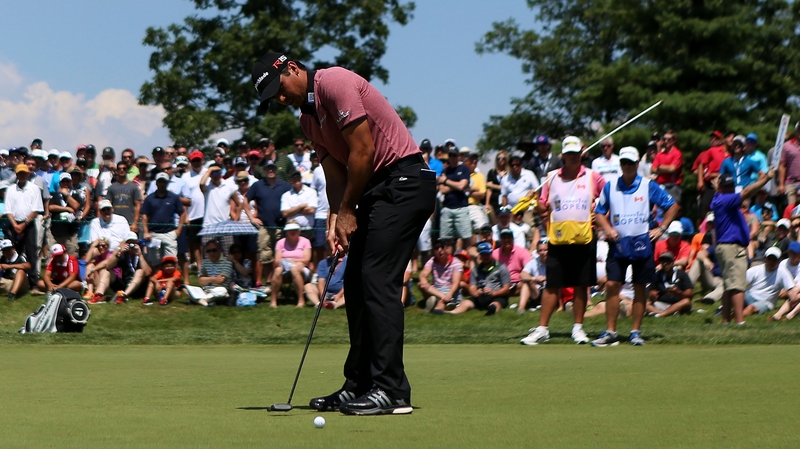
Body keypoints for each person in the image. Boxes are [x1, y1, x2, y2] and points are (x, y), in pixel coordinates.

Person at [253, 51, 435, 415]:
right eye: (274, 97)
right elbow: (335, 176)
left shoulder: (334, 82)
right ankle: (360, 384)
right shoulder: (308, 121)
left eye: (280, 88)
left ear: (292, 68)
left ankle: (391, 389)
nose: (281, 98)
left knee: (377, 279)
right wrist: (336, 220)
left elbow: (364, 151)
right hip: (376, 191)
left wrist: (349, 210)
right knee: (354, 283)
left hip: (404, 182)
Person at [520, 136, 606, 346]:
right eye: (569, 154)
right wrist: (534, 201)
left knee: (580, 284)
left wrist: (600, 215)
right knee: (552, 285)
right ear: (563, 156)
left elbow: (608, 197)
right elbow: (543, 206)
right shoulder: (551, 178)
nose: (572, 157)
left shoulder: (593, 176)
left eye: (576, 153)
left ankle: (578, 328)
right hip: (558, 238)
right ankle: (542, 329)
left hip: (584, 237)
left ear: (581, 153)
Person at [591, 146, 679, 346]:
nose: (627, 166)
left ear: (637, 164)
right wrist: (607, 228)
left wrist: (662, 228)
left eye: (631, 163)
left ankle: (635, 332)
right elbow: (599, 212)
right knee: (612, 285)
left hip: (642, 242)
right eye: (624, 163)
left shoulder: (648, 185)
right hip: (618, 243)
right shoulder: (610, 186)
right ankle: (610, 331)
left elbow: (672, 206)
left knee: (640, 286)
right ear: (620, 164)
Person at [711, 169, 774, 325]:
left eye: (731, 186)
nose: (730, 189)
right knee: (738, 286)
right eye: (727, 186)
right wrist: (766, 179)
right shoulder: (726, 199)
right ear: (721, 187)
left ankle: (726, 321)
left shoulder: (718, 197)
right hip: (732, 247)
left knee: (729, 286)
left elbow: (744, 191)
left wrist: (760, 180)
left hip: (725, 247)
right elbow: (746, 192)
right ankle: (740, 322)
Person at [247, 160, 292, 285]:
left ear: (276, 170)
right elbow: (245, 200)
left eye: (272, 168)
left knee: (280, 256)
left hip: (281, 226)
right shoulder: (257, 185)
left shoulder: (285, 185)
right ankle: (269, 282)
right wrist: (251, 218)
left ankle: (278, 283)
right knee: (265, 256)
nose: (270, 171)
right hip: (264, 226)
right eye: (268, 168)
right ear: (264, 171)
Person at [5, 163, 44, 291]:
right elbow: (8, 210)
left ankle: (33, 284)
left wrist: (24, 224)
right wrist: (15, 225)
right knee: (14, 252)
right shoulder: (10, 189)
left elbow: (36, 209)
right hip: (14, 224)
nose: (22, 175)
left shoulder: (34, 188)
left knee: (31, 253)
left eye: (24, 173)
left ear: (28, 174)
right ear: (16, 175)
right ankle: (13, 277)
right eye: (19, 173)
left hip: (29, 224)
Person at [448, 242, 510, 315]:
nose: (485, 257)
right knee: (466, 302)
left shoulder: (501, 267)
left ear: (491, 253)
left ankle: (491, 310)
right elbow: (472, 287)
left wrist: (493, 293)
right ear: (479, 255)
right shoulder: (476, 270)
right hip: (481, 296)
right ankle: (450, 313)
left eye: (487, 254)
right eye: (483, 255)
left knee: (496, 303)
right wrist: (476, 293)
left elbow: (506, 288)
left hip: (497, 296)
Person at [141, 172, 185, 262]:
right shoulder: (149, 198)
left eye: (164, 182)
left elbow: (182, 213)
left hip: (169, 233)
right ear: (156, 183)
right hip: (154, 234)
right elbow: (144, 215)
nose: (162, 184)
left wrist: (179, 230)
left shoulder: (174, 197)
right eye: (160, 182)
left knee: (171, 261)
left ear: (167, 183)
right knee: (155, 262)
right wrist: (146, 232)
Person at [741, 247, 795, 317]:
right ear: (765, 258)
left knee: (750, 308)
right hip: (749, 295)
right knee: (735, 296)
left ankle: (735, 317)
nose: (771, 262)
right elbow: (740, 284)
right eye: (769, 259)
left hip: (766, 302)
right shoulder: (755, 270)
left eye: (774, 260)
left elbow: (791, 289)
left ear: (779, 260)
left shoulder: (783, 272)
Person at [270, 221, 312, 308]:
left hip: (301, 269)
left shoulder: (305, 241)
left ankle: (301, 300)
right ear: (286, 231)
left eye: (295, 229)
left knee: (294, 269)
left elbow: (307, 260)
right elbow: (277, 261)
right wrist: (291, 261)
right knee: (277, 270)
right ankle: (273, 301)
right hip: (284, 268)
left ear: (299, 231)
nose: (293, 231)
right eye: (290, 230)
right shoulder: (280, 242)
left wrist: (289, 260)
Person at [439, 146, 472, 249]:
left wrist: (446, 181)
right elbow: (442, 190)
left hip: (462, 208)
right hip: (447, 208)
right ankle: (449, 258)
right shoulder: (445, 171)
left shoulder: (464, 169)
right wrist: (457, 184)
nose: (452, 157)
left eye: (454, 155)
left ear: (458, 156)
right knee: (446, 240)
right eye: (450, 155)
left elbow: (462, 186)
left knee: (466, 238)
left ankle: (465, 258)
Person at [417, 239, 463, 313]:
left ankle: (437, 307)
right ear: (434, 251)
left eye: (441, 247)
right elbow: (423, 274)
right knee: (421, 284)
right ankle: (444, 300)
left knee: (440, 304)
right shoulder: (432, 261)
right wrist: (423, 279)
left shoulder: (456, 262)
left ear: (447, 249)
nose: (439, 250)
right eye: (436, 248)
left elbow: (456, 282)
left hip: (450, 290)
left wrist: (449, 294)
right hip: (436, 290)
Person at [106, 232, 151, 304]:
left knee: (140, 271)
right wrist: (119, 254)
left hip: (139, 287)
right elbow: (108, 266)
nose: (131, 245)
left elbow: (148, 272)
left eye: (134, 243)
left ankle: (123, 296)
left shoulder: (143, 253)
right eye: (129, 243)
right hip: (125, 284)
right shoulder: (124, 254)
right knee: (107, 272)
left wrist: (140, 255)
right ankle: (99, 294)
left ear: (137, 243)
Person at [646, 251, 693, 317]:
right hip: (662, 304)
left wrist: (678, 292)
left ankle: (660, 314)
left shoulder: (682, 274)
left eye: (667, 261)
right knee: (645, 304)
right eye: (663, 262)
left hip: (678, 303)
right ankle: (665, 313)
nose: (665, 263)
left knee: (686, 301)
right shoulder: (657, 275)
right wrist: (652, 294)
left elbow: (690, 294)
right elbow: (651, 290)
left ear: (672, 263)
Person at [102, 161, 142, 232]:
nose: (122, 170)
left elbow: (138, 205)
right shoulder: (112, 187)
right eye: (119, 169)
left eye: (124, 168)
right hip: (114, 222)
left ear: (127, 170)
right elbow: (107, 205)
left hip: (129, 221)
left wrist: (135, 223)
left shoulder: (133, 187)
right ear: (117, 171)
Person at [517, 239, 548, 313]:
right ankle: (521, 307)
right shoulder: (533, 262)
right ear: (537, 252)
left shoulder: (554, 262)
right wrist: (534, 279)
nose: (543, 253)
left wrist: (545, 278)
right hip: (537, 291)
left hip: (550, 290)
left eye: (545, 250)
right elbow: (522, 274)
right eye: (540, 250)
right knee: (526, 283)